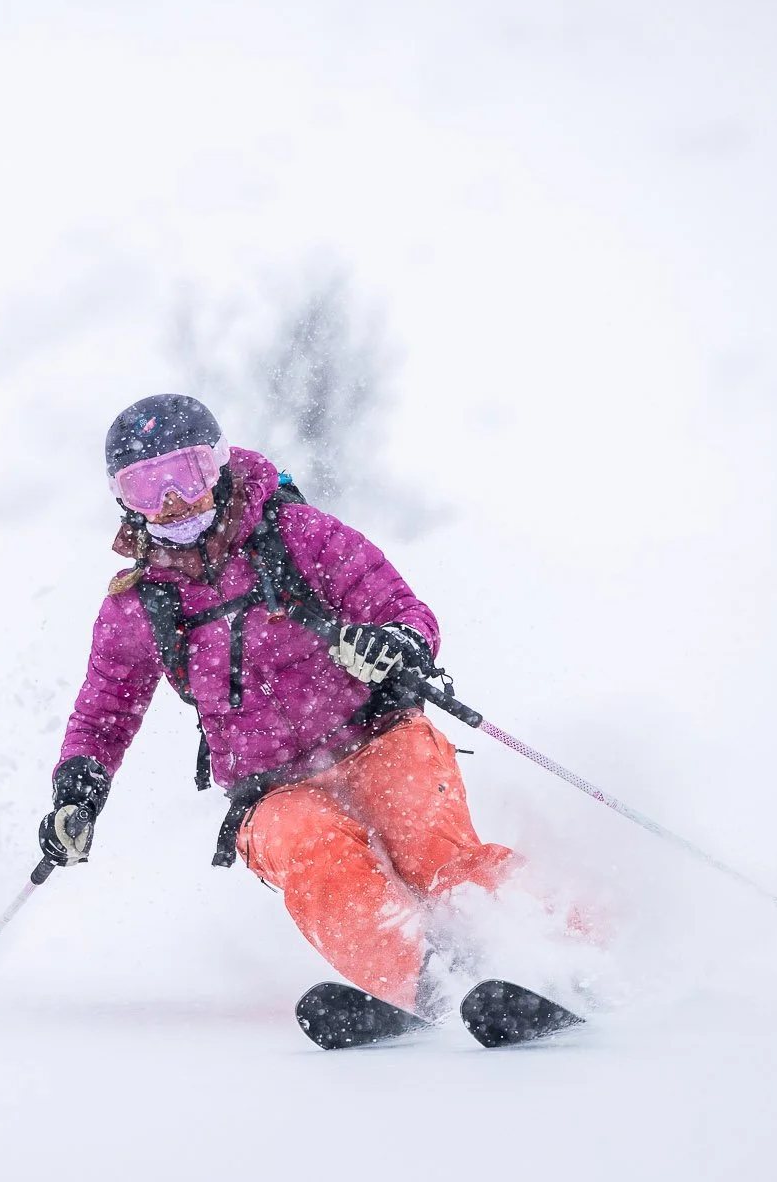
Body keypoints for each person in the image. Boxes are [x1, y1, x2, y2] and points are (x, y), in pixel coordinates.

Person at [40, 392, 519, 1016]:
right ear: (122, 501)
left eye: (185, 477)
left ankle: (553, 950)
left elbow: (401, 609)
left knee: (433, 854)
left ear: (218, 466)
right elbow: (104, 710)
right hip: (273, 790)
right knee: (316, 854)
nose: (173, 504)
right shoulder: (138, 605)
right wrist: (79, 789)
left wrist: (393, 645)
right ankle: (423, 983)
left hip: (378, 736)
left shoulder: (297, 535)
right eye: (145, 489)